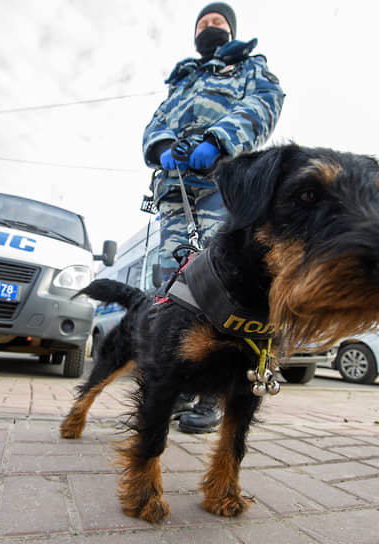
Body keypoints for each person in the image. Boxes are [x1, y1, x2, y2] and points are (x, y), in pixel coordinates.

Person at [141, 2, 284, 433]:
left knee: (219, 282)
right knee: (170, 283)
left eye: (217, 22)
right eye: (203, 23)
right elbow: (155, 124)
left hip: (224, 187)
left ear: (230, 29)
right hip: (176, 188)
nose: (210, 27)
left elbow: (265, 103)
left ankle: (212, 393)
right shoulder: (183, 79)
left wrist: (218, 140)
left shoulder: (249, 67)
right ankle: (176, 384)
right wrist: (164, 148)